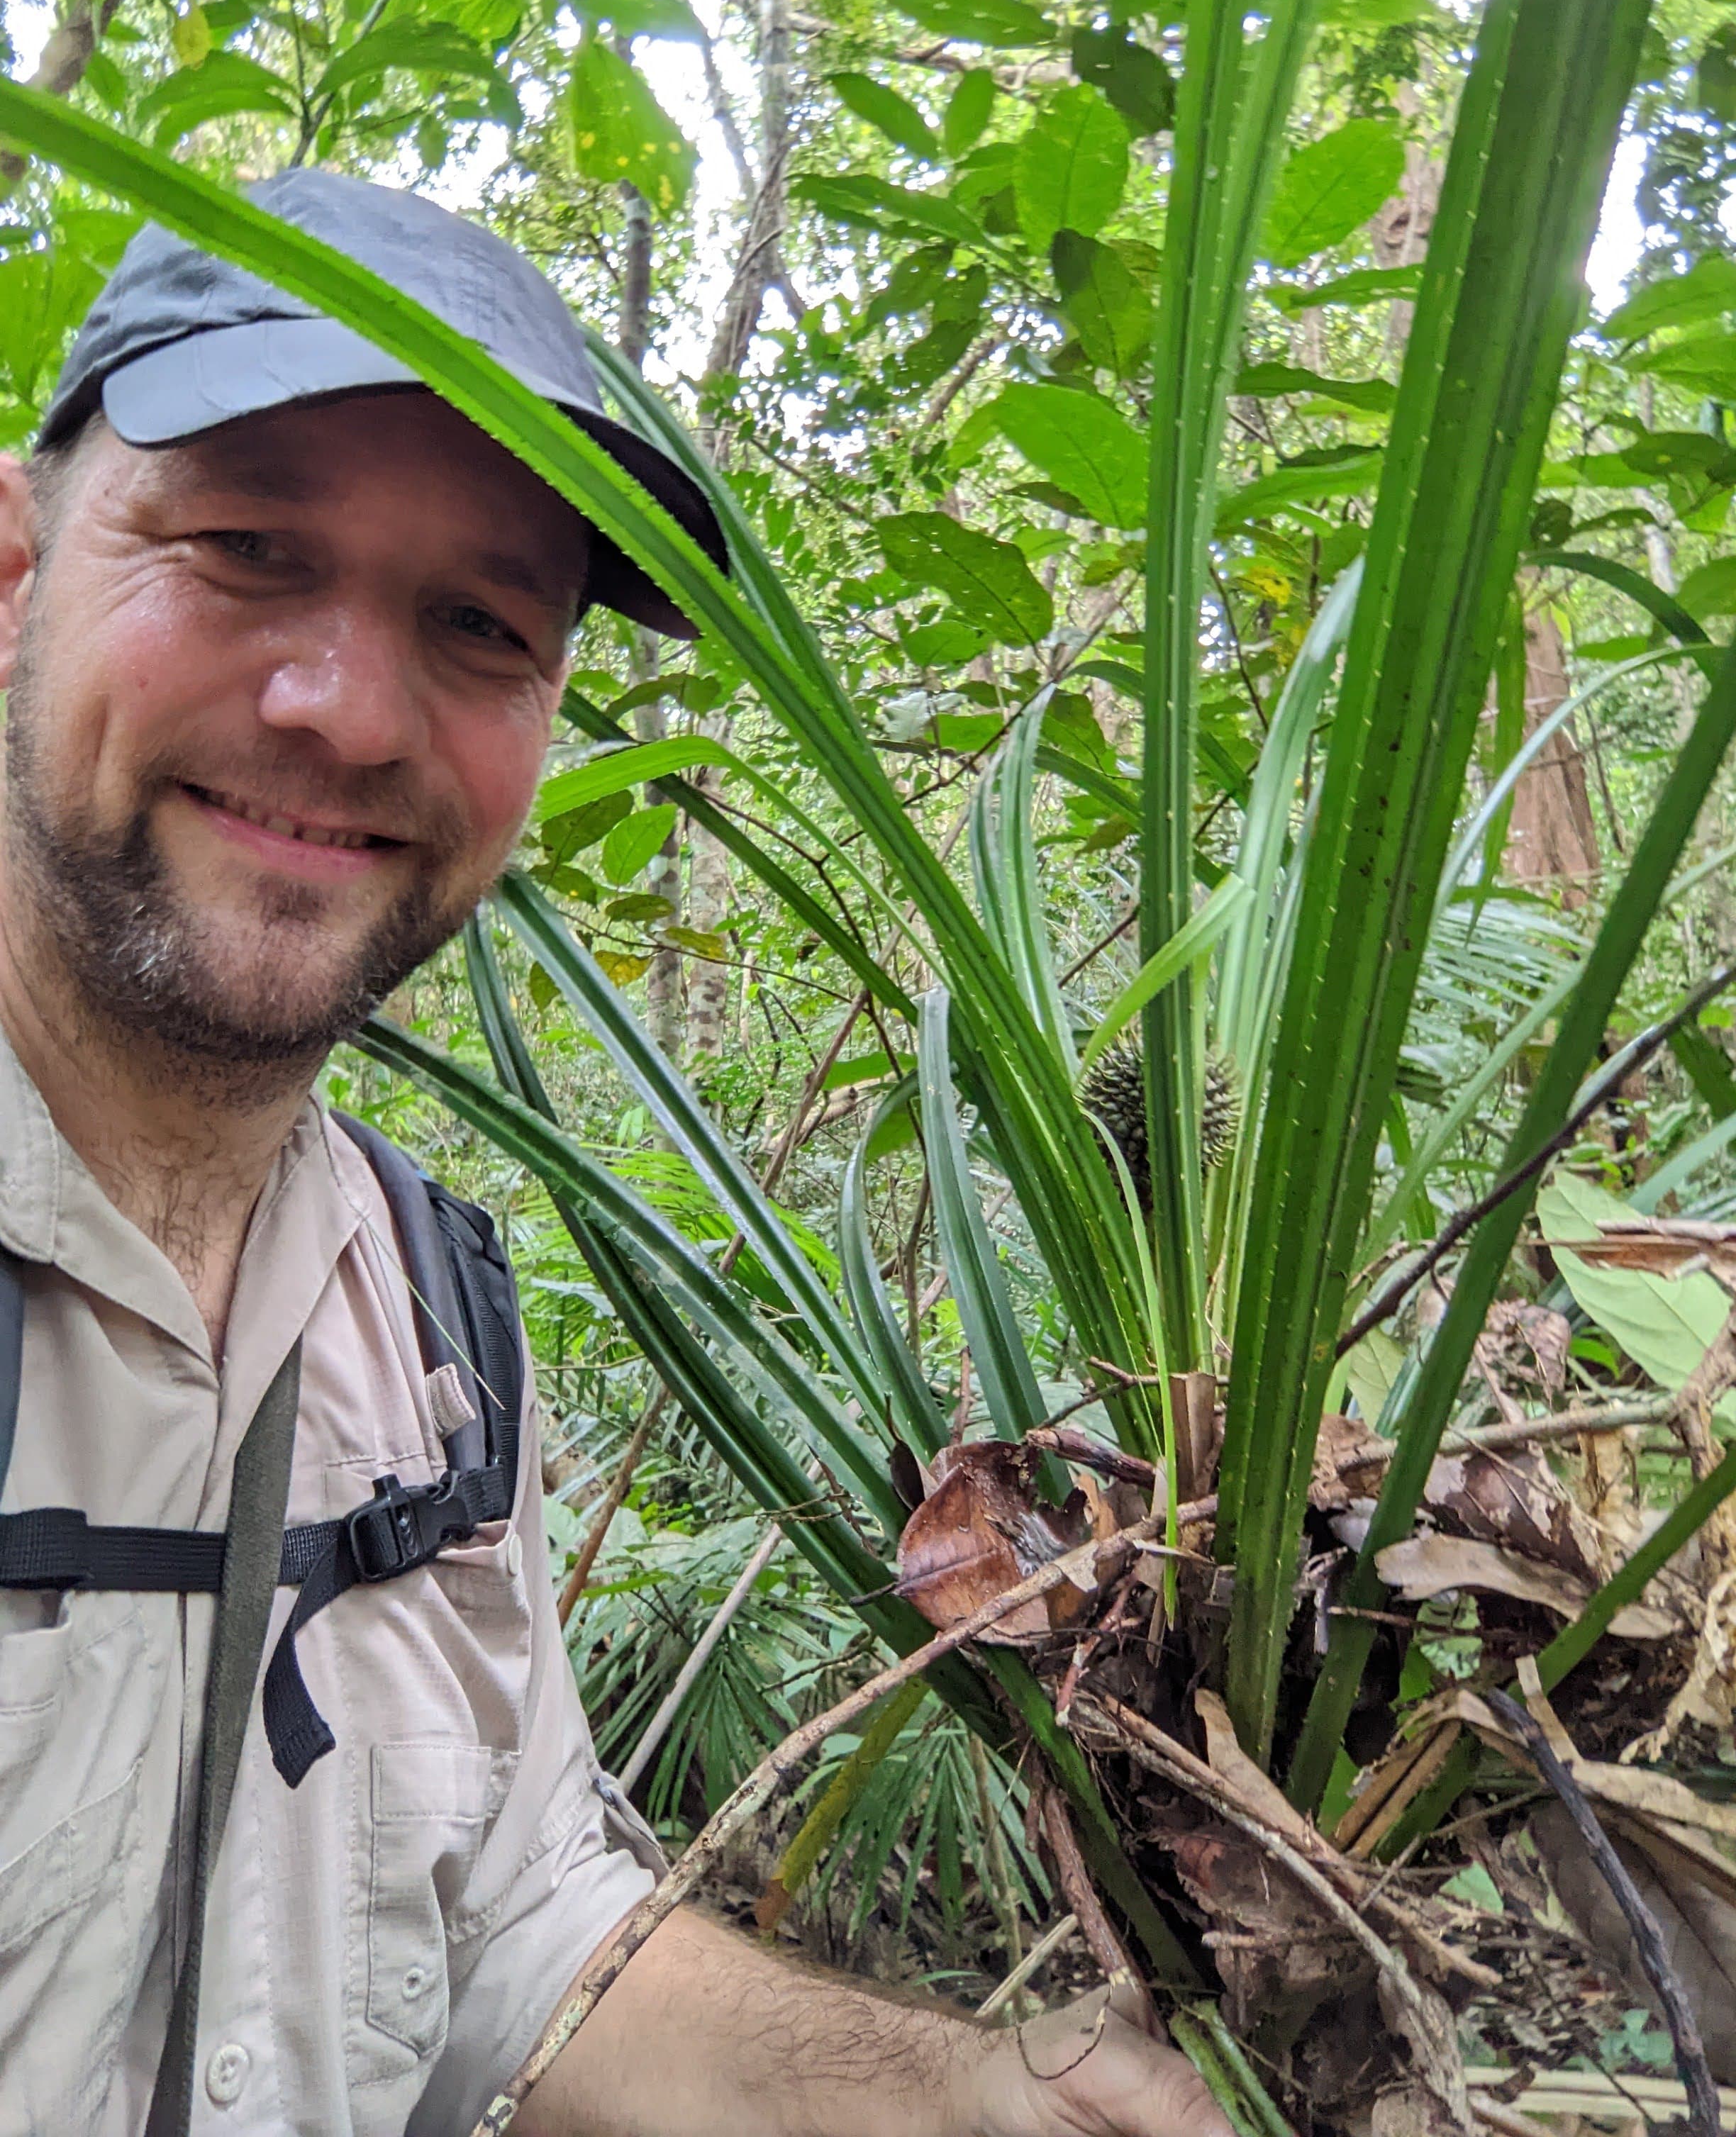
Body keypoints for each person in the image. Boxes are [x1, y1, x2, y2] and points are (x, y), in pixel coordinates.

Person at [0, 168, 1230, 2137]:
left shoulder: (425, 1323)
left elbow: (514, 1925)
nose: (347, 711)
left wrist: (966, 2097)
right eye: (242, 548)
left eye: (482, 623)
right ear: (15, 571)